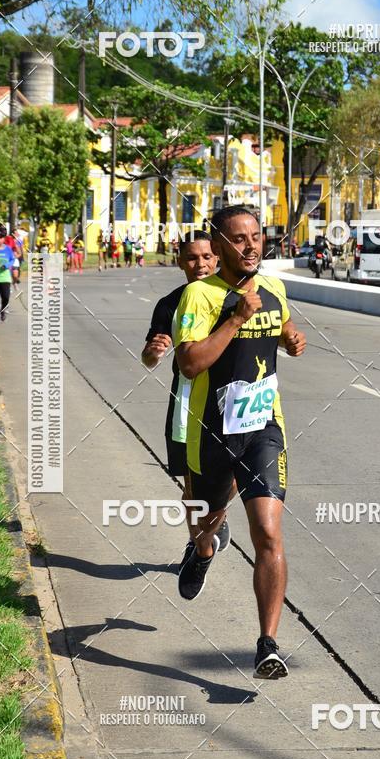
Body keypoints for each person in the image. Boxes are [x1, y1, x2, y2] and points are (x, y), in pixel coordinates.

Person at [174, 206, 306, 679]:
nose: (251, 245)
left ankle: (267, 644)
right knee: (204, 517)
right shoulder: (199, 296)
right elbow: (190, 364)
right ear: (221, 245)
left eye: (257, 236)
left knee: (269, 534)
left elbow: (282, 324)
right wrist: (233, 320)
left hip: (264, 429)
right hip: (211, 432)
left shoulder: (273, 289)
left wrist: (290, 338)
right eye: (239, 238)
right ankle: (201, 549)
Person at [141, 231, 230, 555]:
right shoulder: (169, 304)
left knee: (236, 478)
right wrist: (154, 351)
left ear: (217, 257)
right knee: (192, 488)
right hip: (188, 402)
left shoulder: (234, 296)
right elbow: (149, 359)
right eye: (192, 258)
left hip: (233, 401)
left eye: (206, 257)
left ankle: (216, 510)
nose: (200, 264)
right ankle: (198, 551)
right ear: (180, 262)